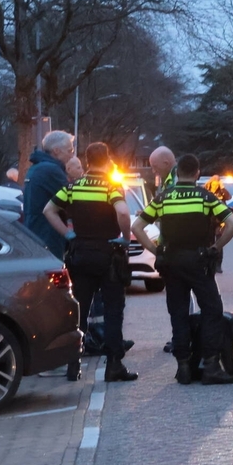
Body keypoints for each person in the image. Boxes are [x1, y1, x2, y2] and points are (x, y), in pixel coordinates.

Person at [132, 154, 233, 385]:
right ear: (197, 173)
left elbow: (137, 226)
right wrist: (215, 247)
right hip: (199, 262)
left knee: (178, 312)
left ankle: (183, 367)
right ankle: (211, 366)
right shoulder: (205, 197)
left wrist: (155, 249)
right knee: (212, 310)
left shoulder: (163, 198)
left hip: (171, 262)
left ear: (178, 172)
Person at [43, 142, 137, 383]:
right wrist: (126, 238)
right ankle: (114, 365)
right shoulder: (111, 187)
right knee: (113, 310)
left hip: (81, 254)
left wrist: (68, 234)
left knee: (80, 311)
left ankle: (73, 364)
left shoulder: (73, 187)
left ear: (87, 161)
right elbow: (123, 212)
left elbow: (48, 210)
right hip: (108, 255)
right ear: (107, 160)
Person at [23, 131, 76, 259]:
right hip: (49, 236)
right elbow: (73, 198)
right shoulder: (51, 170)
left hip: (35, 232)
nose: (71, 155)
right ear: (56, 151)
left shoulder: (36, 168)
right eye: (69, 150)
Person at [203, 174, 232, 273]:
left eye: (217, 184)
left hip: (220, 221)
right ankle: (209, 263)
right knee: (209, 242)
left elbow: (228, 197)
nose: (216, 186)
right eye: (214, 184)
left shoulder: (221, 192)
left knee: (219, 242)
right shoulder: (206, 191)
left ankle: (218, 265)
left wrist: (222, 187)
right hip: (209, 220)